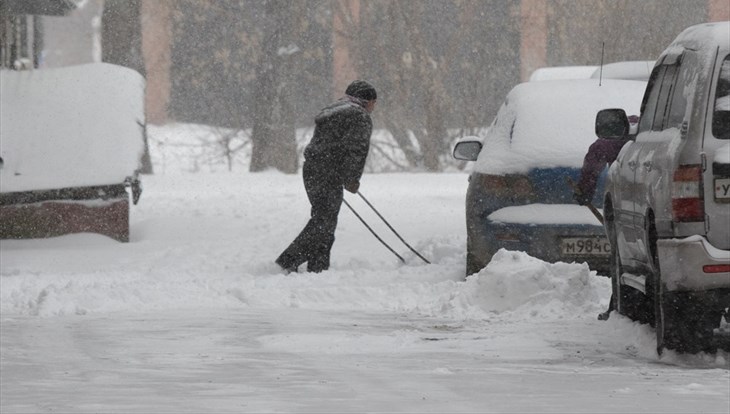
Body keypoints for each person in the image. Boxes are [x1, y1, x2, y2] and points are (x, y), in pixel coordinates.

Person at [275, 80, 377, 274]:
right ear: (366, 100)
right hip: (330, 173)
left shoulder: (332, 111)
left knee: (323, 218)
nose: (374, 107)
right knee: (325, 221)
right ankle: (288, 261)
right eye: (374, 102)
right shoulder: (359, 116)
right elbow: (356, 150)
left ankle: (318, 267)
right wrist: (352, 179)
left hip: (312, 170)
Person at [574, 115, 638, 320]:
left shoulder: (612, 138)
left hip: (625, 204)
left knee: (621, 256)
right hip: (647, 204)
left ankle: (620, 305)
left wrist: (584, 192)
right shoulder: (653, 131)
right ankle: (620, 305)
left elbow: (593, 163)